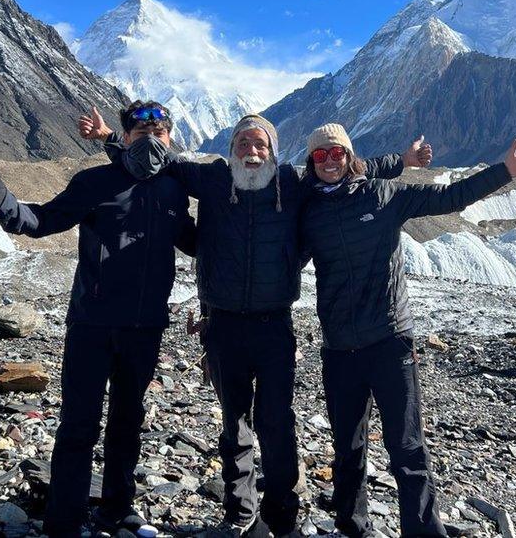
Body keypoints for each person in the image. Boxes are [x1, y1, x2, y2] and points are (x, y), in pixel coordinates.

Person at [78, 111, 432, 537]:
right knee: (234, 424)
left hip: (274, 325)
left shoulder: (290, 183)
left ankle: (282, 516)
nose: (252, 151)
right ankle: (239, 510)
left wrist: (403, 161)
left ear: (273, 150)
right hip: (223, 325)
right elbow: (156, 159)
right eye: (243, 143)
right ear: (231, 151)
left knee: (277, 422)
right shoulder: (211, 179)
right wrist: (108, 138)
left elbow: (348, 165)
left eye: (260, 143)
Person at [299, 123, 516, 537]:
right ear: (311, 162)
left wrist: (504, 171)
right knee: (347, 449)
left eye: (337, 153)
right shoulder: (307, 212)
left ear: (349, 156)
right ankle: (350, 527)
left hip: (388, 341)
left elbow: (450, 198)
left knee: (407, 448)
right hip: (339, 348)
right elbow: (281, 260)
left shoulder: (383, 196)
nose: (329, 161)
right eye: (320, 155)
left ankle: (422, 531)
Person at [0, 101, 196, 538]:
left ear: (170, 139)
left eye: (161, 133)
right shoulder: (95, 182)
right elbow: (46, 219)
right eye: (142, 133)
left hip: (145, 328)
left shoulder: (173, 189)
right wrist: (7, 206)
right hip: (92, 324)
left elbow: (192, 241)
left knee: (128, 422)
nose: (152, 139)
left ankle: (117, 510)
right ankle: (65, 519)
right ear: (126, 137)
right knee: (79, 423)